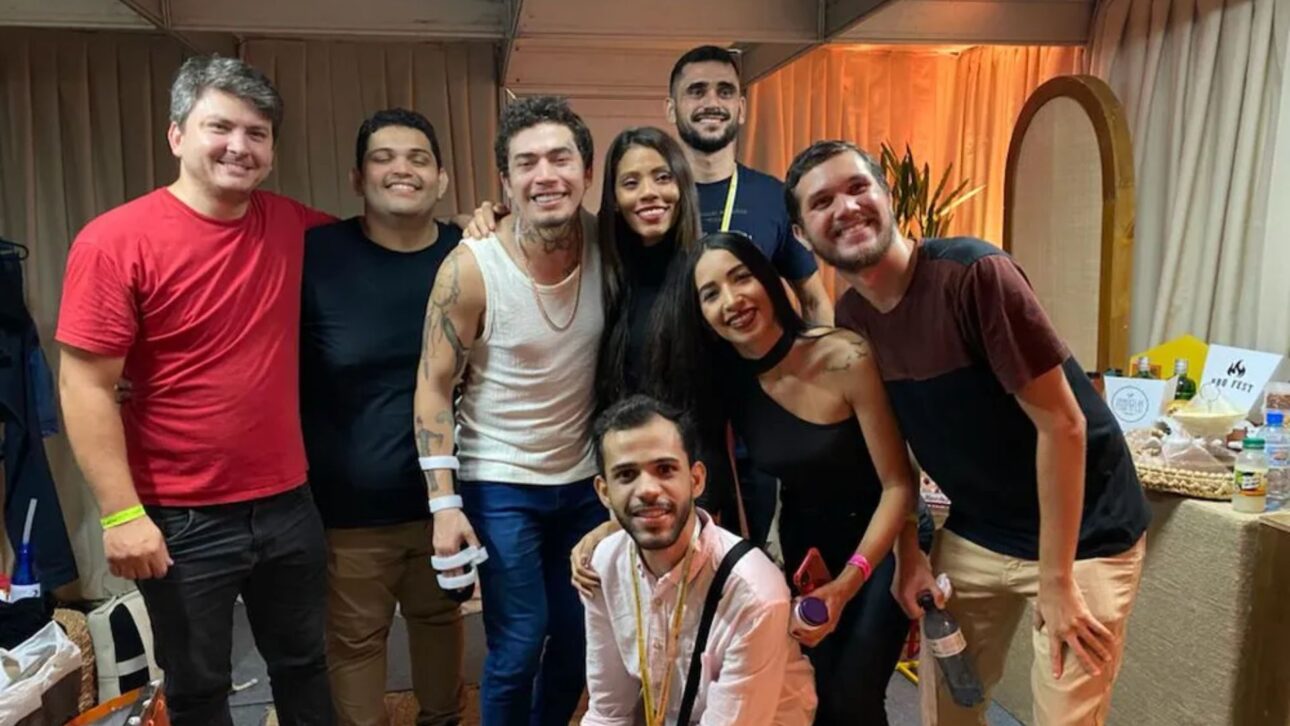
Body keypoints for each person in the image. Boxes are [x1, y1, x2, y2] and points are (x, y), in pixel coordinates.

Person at [783, 140, 1151, 726]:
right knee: (949, 705)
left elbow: (1063, 424)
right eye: (822, 201)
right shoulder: (852, 319)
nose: (846, 207)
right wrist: (909, 553)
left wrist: (1056, 580)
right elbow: (895, 455)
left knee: (1066, 715)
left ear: (887, 196)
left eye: (857, 187)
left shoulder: (974, 275)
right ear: (803, 235)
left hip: (1085, 532)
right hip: (980, 529)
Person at [56, 55, 335, 726]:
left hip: (288, 504)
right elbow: (85, 384)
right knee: (199, 686)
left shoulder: (293, 225)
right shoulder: (115, 240)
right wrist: (121, 516)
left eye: (257, 133)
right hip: (181, 516)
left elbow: (387, 242)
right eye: (221, 127)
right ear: (177, 134)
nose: (240, 146)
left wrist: (479, 222)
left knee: (304, 666)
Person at [650, 230, 923, 724]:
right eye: (710, 294)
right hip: (805, 547)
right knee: (815, 694)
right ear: (702, 316)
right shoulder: (725, 384)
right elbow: (670, 459)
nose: (731, 300)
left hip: (881, 539)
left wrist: (846, 585)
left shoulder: (845, 356)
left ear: (769, 281)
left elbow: (899, 485)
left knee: (854, 696)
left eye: (741, 278)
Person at [412, 95, 606, 726]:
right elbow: (433, 385)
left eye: (560, 158)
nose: (545, 175)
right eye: (527, 163)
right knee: (519, 643)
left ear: (587, 171)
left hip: (586, 482)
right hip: (500, 482)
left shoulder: (610, 245)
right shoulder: (470, 268)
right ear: (505, 180)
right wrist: (444, 506)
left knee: (579, 642)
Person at [300, 108, 464, 725]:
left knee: (440, 620)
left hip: (446, 502)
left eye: (419, 158)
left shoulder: (468, 253)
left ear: (441, 179)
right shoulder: (316, 256)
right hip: (350, 511)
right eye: (383, 157)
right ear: (357, 177)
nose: (402, 169)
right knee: (354, 642)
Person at [667, 45, 836, 545]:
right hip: (676, 409)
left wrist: (819, 386)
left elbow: (815, 299)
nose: (711, 102)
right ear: (671, 108)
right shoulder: (654, 196)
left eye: (725, 91)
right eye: (696, 91)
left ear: (741, 107)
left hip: (755, 411)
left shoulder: (771, 196)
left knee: (749, 549)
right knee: (679, 555)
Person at [582, 394, 816, 726]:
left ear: (696, 480)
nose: (647, 489)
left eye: (665, 469)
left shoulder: (754, 591)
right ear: (604, 492)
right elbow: (607, 712)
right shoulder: (604, 564)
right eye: (627, 474)